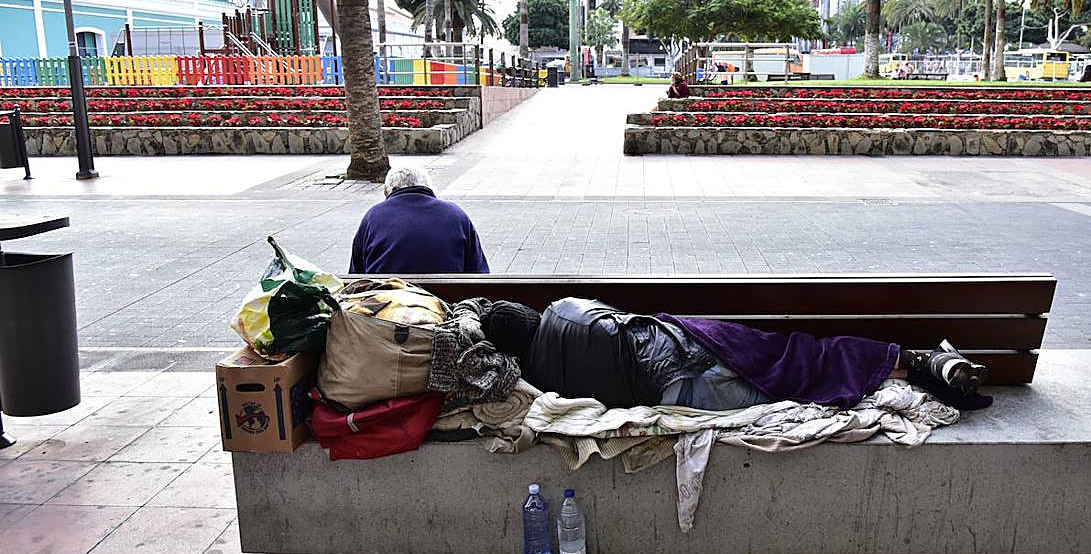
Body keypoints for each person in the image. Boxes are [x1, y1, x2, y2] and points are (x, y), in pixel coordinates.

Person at [480, 298, 991, 413]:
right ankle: (920, 363)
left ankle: (915, 372)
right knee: (802, 356)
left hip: (684, 390)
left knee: (799, 389)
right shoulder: (567, 308)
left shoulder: (539, 377)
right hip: (693, 339)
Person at [349, 166, 489, 275]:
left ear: (388, 190)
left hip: (387, 305)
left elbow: (356, 273)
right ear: (429, 187)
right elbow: (478, 271)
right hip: (445, 305)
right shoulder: (457, 215)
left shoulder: (373, 216)